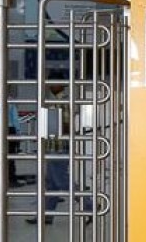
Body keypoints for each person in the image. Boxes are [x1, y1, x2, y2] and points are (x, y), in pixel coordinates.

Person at [27, 71, 92, 226]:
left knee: (61, 181)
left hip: (58, 147)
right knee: (51, 184)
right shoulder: (52, 100)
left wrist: (48, 126)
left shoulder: (61, 100)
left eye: (53, 82)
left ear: (62, 84)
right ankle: (46, 216)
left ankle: (89, 206)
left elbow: (62, 125)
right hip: (53, 146)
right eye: (50, 81)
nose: (50, 85)